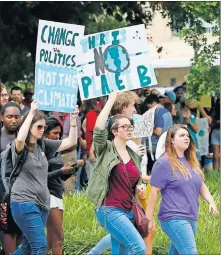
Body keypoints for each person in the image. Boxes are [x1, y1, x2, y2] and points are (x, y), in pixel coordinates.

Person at [10, 100, 79, 255]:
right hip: (24, 202)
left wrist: (73, 120)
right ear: (29, 127)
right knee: (40, 247)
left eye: (44, 127)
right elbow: (21, 138)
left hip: (42, 204)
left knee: (27, 248)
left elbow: (71, 141)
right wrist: (32, 112)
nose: (42, 130)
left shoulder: (43, 145)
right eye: (38, 127)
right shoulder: (19, 146)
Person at [86, 93, 146, 255]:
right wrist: (111, 100)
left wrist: (139, 186)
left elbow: (134, 178)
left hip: (129, 209)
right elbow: (98, 129)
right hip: (110, 209)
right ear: (114, 131)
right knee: (139, 249)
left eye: (130, 126)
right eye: (124, 127)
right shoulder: (105, 148)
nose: (129, 129)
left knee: (121, 252)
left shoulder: (133, 152)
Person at [146, 124, 218, 255]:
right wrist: (148, 220)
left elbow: (201, 184)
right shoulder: (163, 163)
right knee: (190, 252)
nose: (187, 138)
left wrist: (211, 202)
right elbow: (153, 192)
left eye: (187, 135)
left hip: (191, 216)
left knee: (176, 252)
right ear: (172, 140)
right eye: (182, 135)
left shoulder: (191, 160)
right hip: (173, 217)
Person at [44, 116, 83, 255]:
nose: (58, 136)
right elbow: (40, 177)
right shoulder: (42, 150)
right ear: (45, 132)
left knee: (50, 240)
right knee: (58, 238)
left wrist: (73, 168)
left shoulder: (55, 150)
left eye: (59, 133)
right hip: (48, 195)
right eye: (55, 133)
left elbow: (62, 175)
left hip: (57, 194)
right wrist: (61, 171)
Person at [0, 102, 22, 255]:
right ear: (2, 118)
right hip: (3, 195)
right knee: (7, 230)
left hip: (22, 194)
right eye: (9, 117)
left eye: (16, 117)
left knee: (21, 231)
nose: (13, 120)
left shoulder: (24, 138)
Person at [211, 98, 220, 170]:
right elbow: (211, 121)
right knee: (216, 156)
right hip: (215, 132)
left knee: (217, 157)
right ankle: (215, 176)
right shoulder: (215, 108)